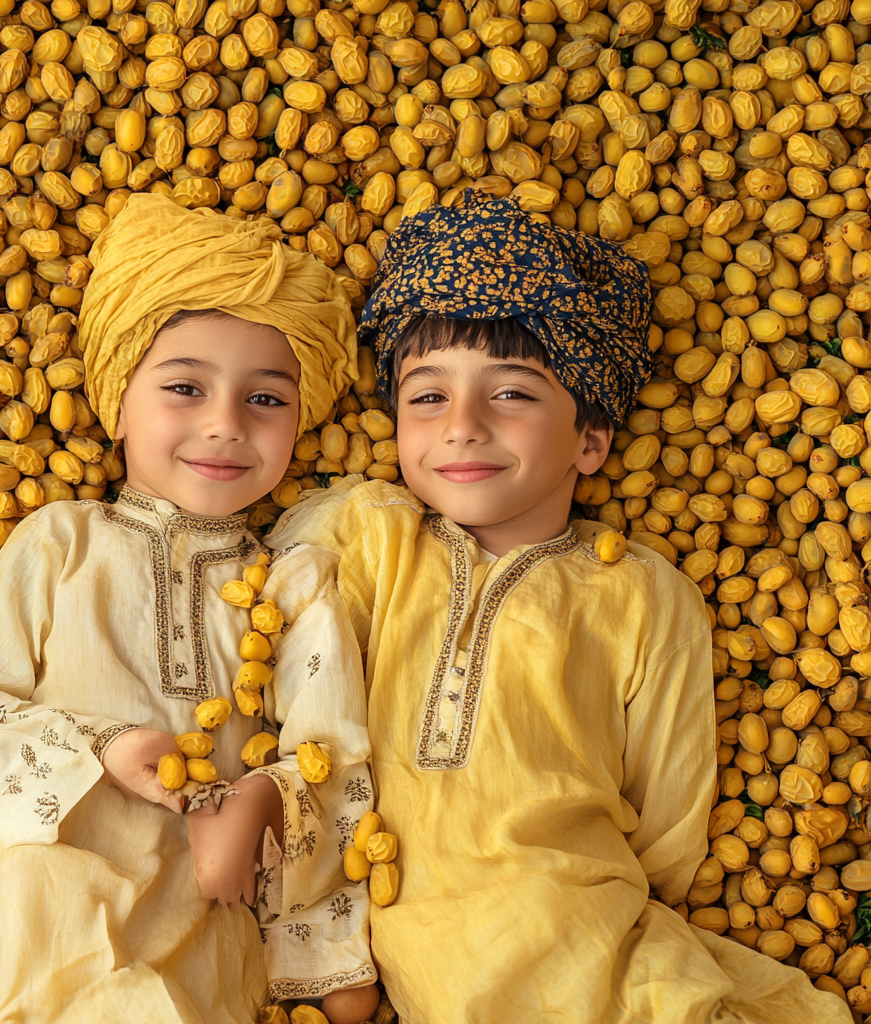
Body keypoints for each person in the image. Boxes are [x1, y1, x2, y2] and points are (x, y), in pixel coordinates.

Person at [265, 190, 852, 1024]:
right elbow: (282, 620)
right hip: (431, 955)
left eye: (512, 395)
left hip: (594, 932)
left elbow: (671, 821)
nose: (462, 426)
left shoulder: (644, 592)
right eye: (427, 397)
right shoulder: (375, 540)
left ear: (591, 440)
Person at [0, 195, 379, 1024]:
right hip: (31, 912)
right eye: (183, 386)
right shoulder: (60, 544)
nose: (224, 425)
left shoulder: (295, 584)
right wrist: (97, 749)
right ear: (113, 401)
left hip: (197, 938)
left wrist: (260, 808)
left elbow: (339, 756)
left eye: (268, 400)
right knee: (38, 910)